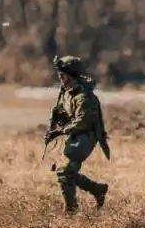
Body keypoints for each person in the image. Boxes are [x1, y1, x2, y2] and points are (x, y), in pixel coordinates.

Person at [43, 55, 110, 213]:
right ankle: (97, 189)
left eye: (62, 75)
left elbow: (83, 121)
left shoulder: (83, 97)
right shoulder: (66, 92)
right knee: (64, 170)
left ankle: (71, 210)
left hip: (85, 136)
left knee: (65, 172)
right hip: (73, 134)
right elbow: (62, 111)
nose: (60, 78)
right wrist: (54, 124)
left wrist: (60, 131)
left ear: (71, 75)